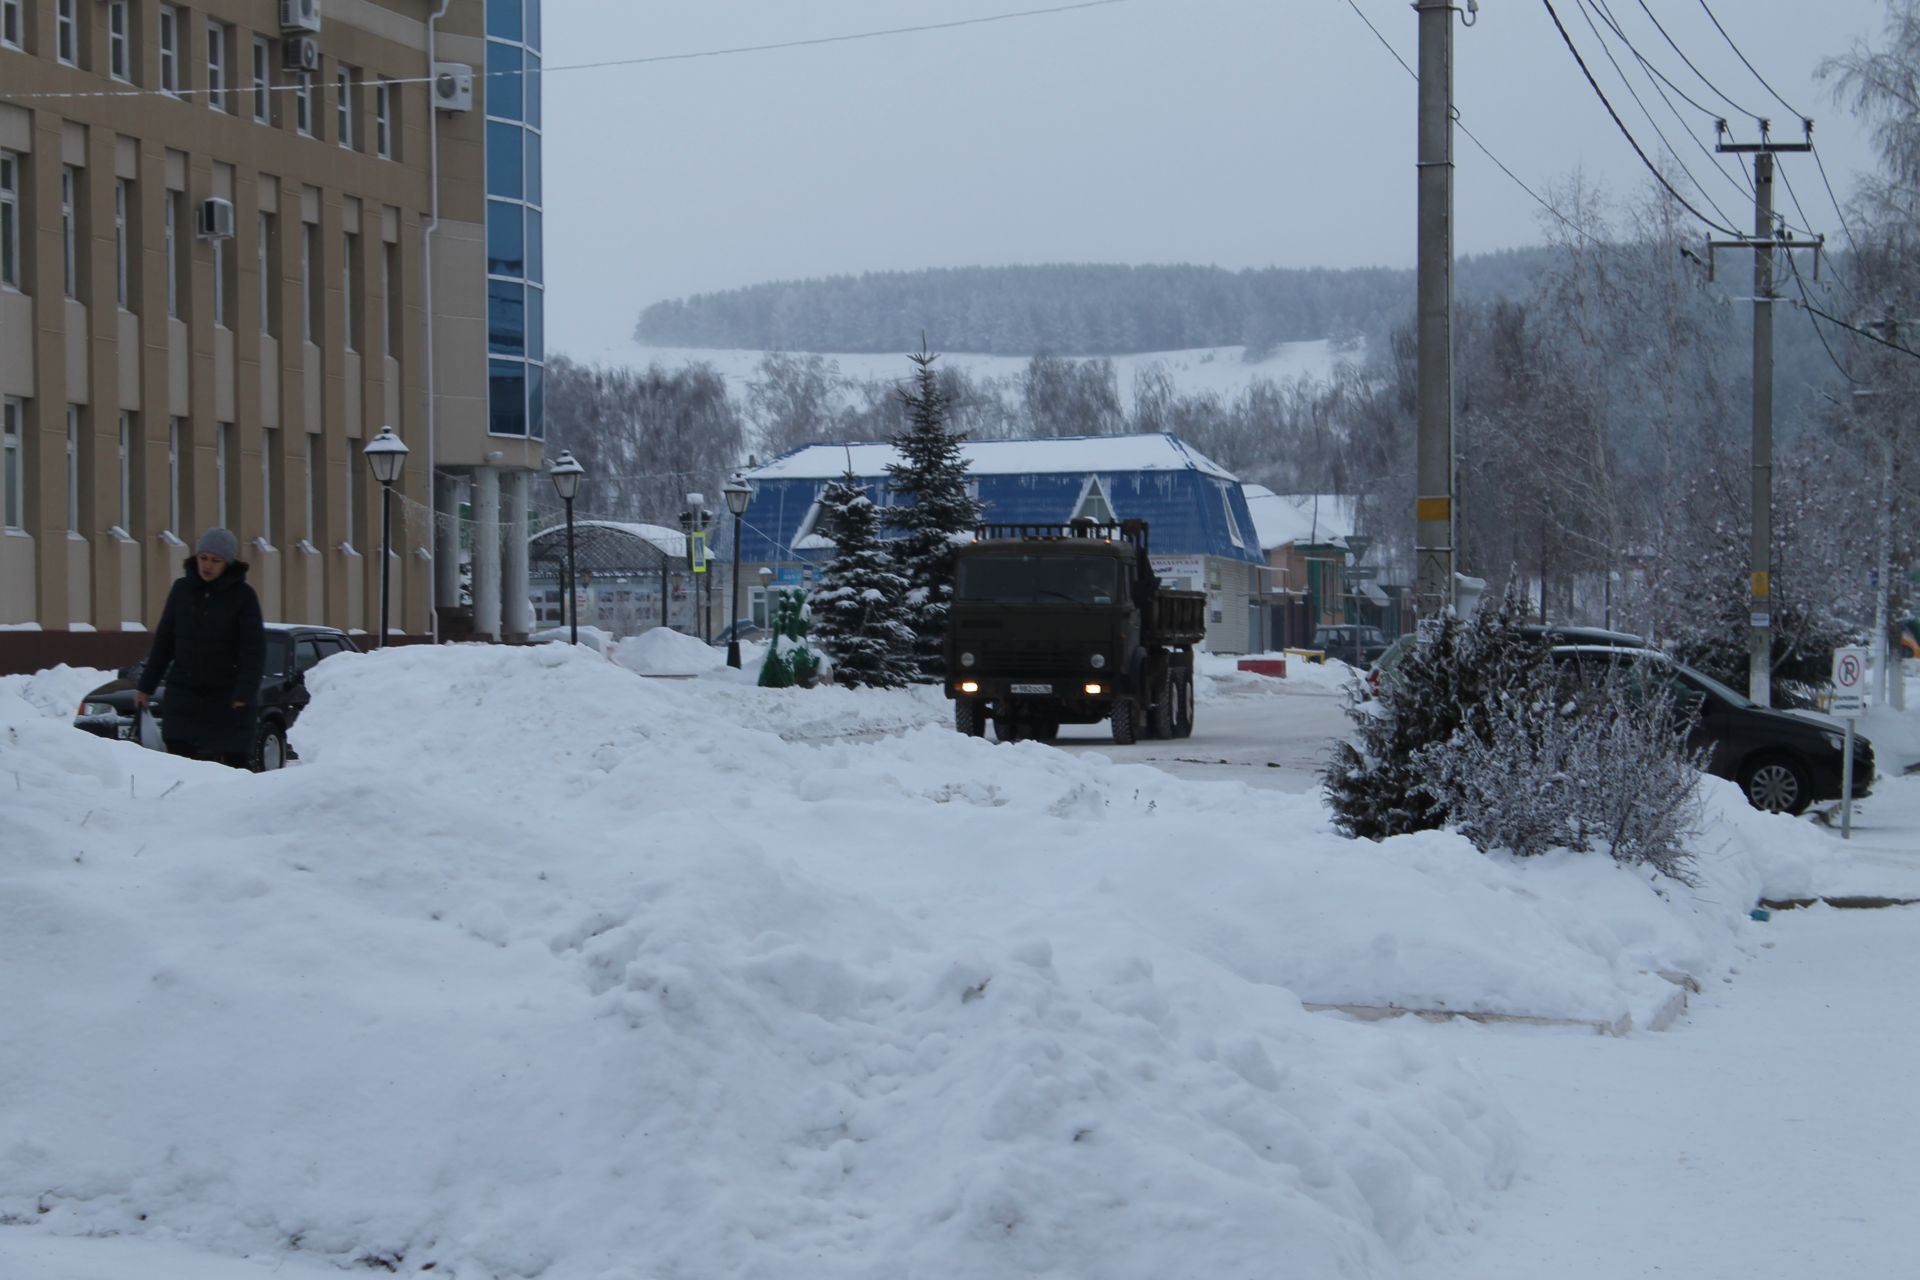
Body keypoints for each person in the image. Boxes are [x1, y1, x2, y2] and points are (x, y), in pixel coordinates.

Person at [134, 528, 267, 769]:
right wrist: (146, 686)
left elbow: (254, 650)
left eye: (216, 561)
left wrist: (244, 693)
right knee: (178, 761)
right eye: (203, 558)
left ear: (227, 563)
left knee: (232, 766)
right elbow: (165, 642)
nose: (207, 566)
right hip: (184, 693)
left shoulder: (243, 597)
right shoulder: (181, 590)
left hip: (227, 697)